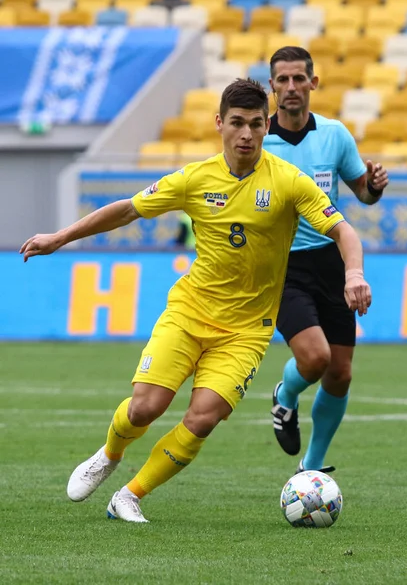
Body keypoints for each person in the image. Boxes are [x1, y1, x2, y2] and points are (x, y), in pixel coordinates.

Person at [20, 78, 371, 524]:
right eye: (238, 123)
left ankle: (129, 495)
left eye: (257, 124)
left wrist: (354, 273)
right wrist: (60, 237)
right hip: (190, 312)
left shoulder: (288, 182)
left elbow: (343, 229)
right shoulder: (194, 179)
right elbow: (128, 208)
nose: (247, 134)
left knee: (203, 417)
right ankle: (109, 454)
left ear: (268, 128)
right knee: (145, 407)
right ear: (219, 123)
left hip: (246, 330)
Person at [263, 47, 389, 474]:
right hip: (283, 266)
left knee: (340, 373)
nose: (292, 88)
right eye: (283, 80)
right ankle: (285, 395)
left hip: (330, 261)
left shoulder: (335, 135)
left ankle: (311, 468)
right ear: (272, 87)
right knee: (314, 359)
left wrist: (373, 186)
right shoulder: (258, 139)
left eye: (300, 79)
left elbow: (363, 196)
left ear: (313, 83)